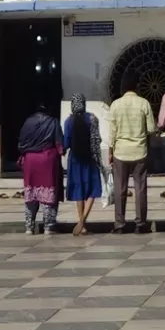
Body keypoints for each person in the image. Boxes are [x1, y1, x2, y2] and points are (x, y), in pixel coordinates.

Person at [108, 79, 156, 233]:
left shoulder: (115, 105)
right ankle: (140, 223)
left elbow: (112, 133)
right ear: (137, 87)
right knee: (140, 189)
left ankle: (119, 224)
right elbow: (150, 129)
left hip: (120, 152)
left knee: (119, 189)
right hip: (139, 151)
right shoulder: (144, 103)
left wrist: (110, 152)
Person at [17, 100, 62, 234]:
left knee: (31, 194)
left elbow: (20, 144)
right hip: (47, 160)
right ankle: (48, 226)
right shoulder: (53, 122)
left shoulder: (27, 122)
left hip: (30, 161)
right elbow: (60, 145)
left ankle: (29, 226)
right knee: (48, 194)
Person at [62, 94, 104, 236]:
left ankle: (81, 221)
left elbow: (66, 143)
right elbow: (97, 140)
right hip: (90, 159)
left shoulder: (69, 121)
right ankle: (83, 220)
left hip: (75, 160)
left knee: (79, 189)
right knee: (93, 188)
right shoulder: (93, 119)